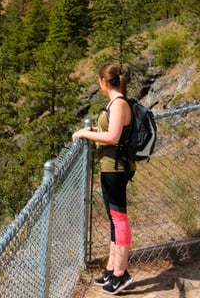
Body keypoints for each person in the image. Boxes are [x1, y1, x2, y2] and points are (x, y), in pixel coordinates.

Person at [72, 63, 135, 295]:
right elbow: (109, 133)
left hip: (116, 169)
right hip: (112, 167)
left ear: (104, 82)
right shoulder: (116, 103)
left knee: (119, 218)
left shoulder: (119, 104)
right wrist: (92, 133)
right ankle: (112, 268)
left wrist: (84, 133)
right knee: (114, 218)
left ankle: (121, 273)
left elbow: (114, 136)